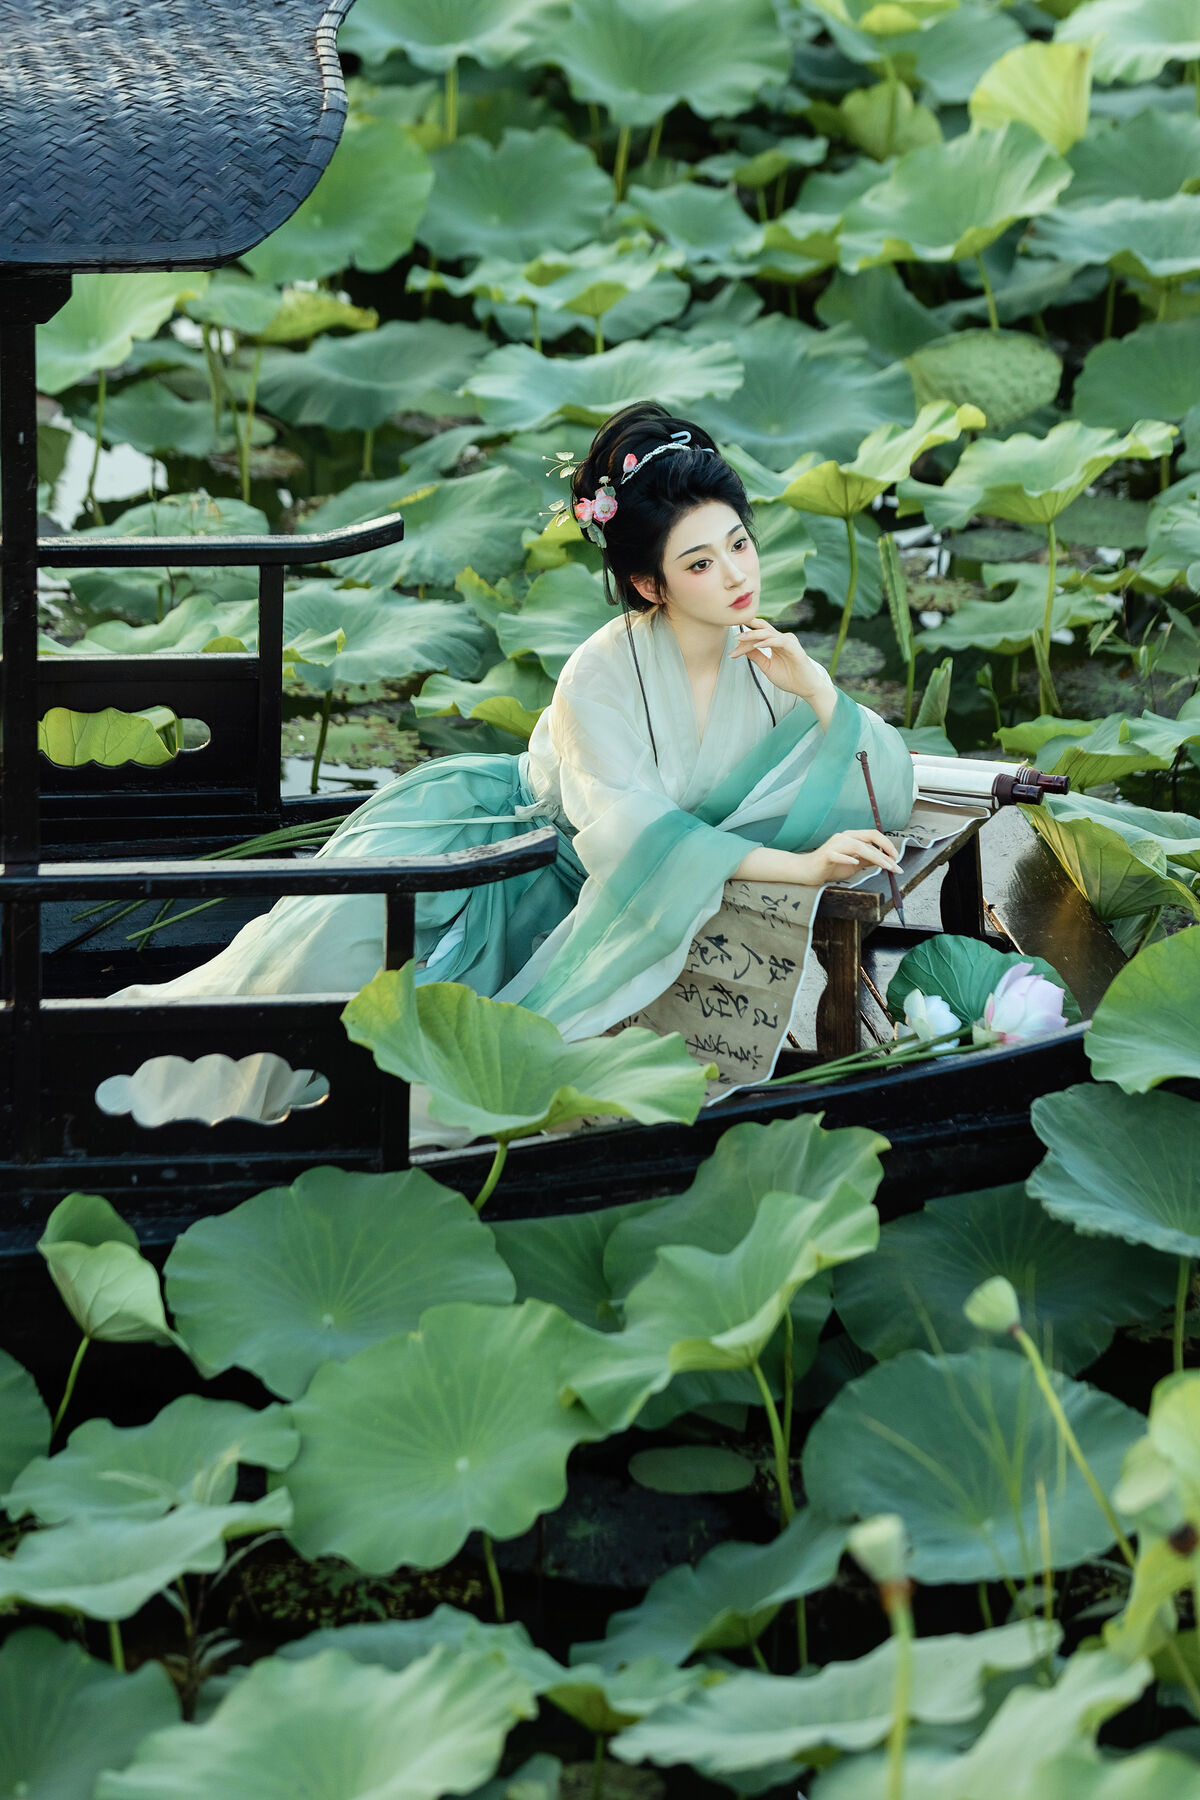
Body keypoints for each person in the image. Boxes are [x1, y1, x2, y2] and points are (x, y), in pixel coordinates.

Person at [110, 400, 913, 1077]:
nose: (737, 575)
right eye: (699, 563)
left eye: (739, 544)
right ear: (648, 583)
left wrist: (818, 690)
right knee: (296, 1014)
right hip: (491, 857)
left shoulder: (767, 664)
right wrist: (803, 866)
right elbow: (636, 837)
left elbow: (889, 783)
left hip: (601, 901)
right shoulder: (600, 673)